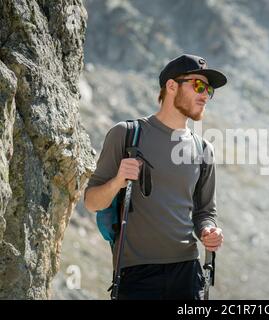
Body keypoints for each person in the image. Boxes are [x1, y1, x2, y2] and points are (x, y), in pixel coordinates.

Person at [84, 54, 226, 300]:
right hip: (137, 276)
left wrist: (208, 231)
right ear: (172, 86)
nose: (205, 95)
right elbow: (92, 202)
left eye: (209, 90)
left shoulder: (204, 150)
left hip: (188, 273)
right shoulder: (126, 135)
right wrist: (118, 181)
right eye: (198, 86)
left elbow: (205, 212)